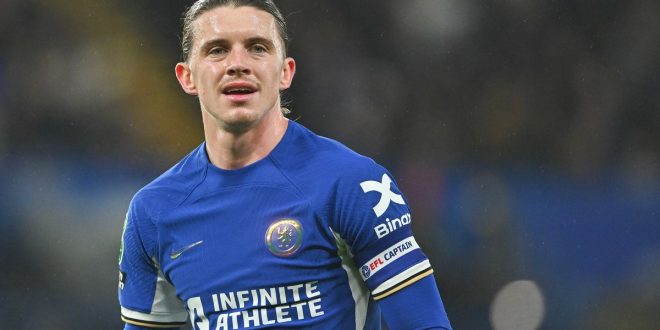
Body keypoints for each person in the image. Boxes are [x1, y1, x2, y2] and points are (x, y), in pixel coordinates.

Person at [117, 1, 452, 329]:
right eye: (217, 50)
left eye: (257, 48)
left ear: (285, 72)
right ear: (187, 77)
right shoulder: (153, 212)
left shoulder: (352, 184)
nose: (238, 64)